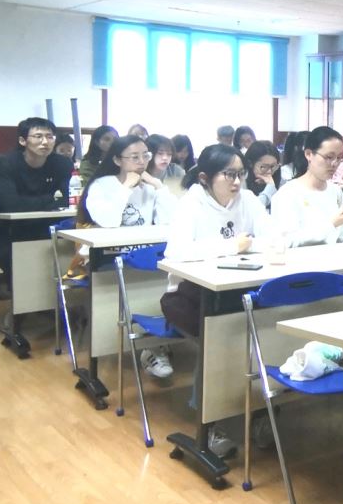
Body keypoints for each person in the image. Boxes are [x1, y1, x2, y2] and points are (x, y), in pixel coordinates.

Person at [161, 145, 281, 457]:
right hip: (188, 295)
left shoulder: (248, 200)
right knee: (223, 339)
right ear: (205, 178)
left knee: (263, 331)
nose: (237, 182)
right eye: (229, 175)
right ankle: (208, 423)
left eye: (240, 174)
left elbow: (274, 239)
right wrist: (231, 246)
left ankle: (259, 412)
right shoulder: (191, 204)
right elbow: (177, 252)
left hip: (238, 289)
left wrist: (246, 246)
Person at [79, 135, 179, 378]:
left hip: (144, 255)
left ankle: (153, 345)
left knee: (168, 278)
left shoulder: (150, 185)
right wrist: (125, 188)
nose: (142, 161)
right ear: (117, 160)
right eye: (134, 157)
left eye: (145, 155)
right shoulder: (102, 185)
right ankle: (149, 346)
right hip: (108, 256)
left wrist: (159, 187)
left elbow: (172, 221)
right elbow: (109, 221)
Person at [0, 117, 74, 349]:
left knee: (71, 254)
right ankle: (18, 311)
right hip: (8, 234)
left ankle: (54, 304)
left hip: (48, 232)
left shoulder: (62, 164)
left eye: (50, 137)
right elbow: (9, 204)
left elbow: (65, 201)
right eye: (38, 136)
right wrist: (48, 201)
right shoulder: (7, 164)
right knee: (19, 259)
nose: (45, 142)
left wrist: (38, 202)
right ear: (23, 141)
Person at [271, 126, 343, 247]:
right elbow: (287, 240)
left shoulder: (335, 190)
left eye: (338, 158)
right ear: (309, 154)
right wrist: (331, 225)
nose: (334, 164)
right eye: (329, 157)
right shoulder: (287, 193)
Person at [243, 140, 281, 210]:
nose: (269, 172)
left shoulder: (283, 182)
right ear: (250, 164)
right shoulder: (241, 182)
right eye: (264, 167)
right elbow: (252, 210)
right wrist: (270, 188)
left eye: (273, 166)